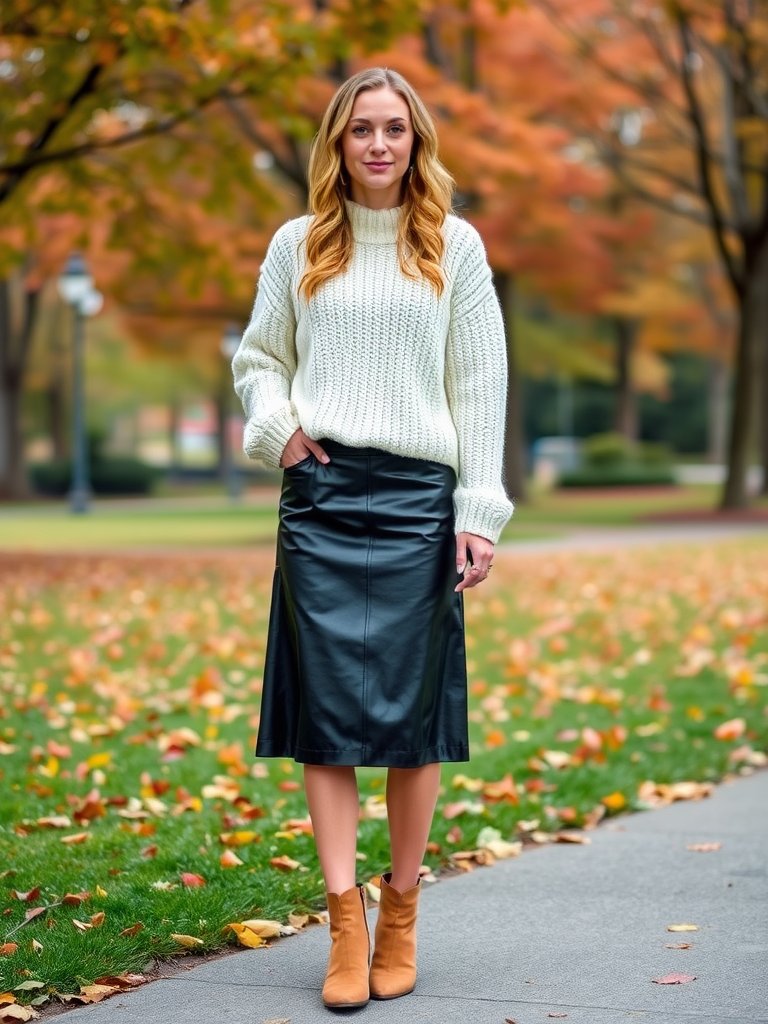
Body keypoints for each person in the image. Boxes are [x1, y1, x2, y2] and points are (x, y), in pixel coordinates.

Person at [231, 66, 514, 1011]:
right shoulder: (298, 243)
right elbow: (260, 358)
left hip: (417, 500)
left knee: (411, 715)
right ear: (339, 144)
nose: (381, 145)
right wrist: (280, 433)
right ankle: (342, 924)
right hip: (321, 494)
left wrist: (478, 508)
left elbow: (479, 382)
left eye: (396, 128)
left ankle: (401, 910)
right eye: (363, 131)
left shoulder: (454, 247)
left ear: (418, 140)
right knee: (328, 718)